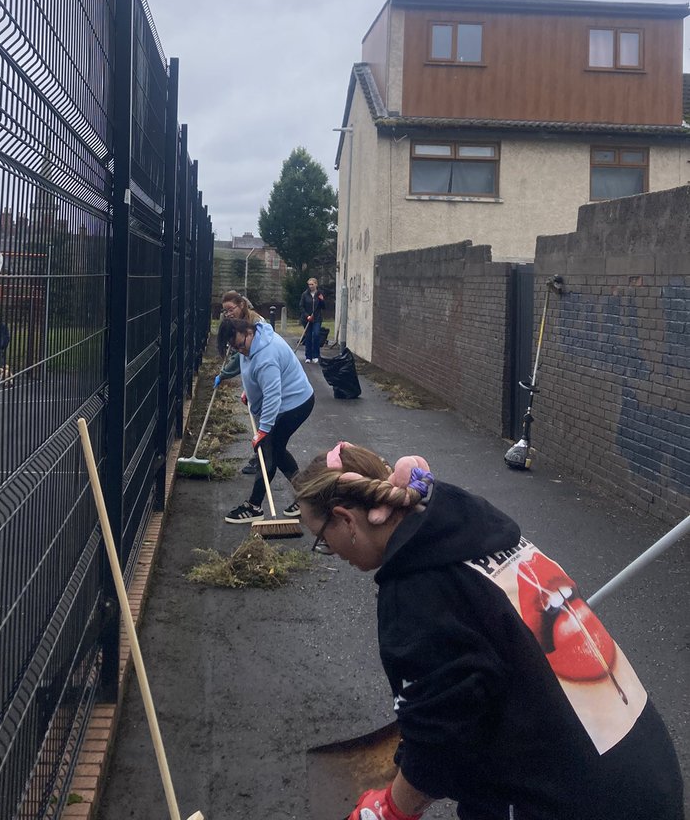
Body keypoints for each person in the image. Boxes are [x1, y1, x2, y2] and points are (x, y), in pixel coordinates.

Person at [293, 441, 684, 820]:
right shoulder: (470, 529)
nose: (332, 552)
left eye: (322, 540)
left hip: (575, 801)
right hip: (646, 771)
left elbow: (442, 740)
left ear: (346, 519)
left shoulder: (417, 590)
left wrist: (392, 808)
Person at [217, 316, 314, 524]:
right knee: (276, 450)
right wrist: (249, 393)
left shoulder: (266, 355)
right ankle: (307, 497)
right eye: (235, 348)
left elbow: (273, 395)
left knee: (267, 449)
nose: (240, 351)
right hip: (285, 401)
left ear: (249, 332)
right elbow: (253, 374)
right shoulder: (250, 343)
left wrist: (264, 430)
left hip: (295, 403)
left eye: (241, 345)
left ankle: (254, 506)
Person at [221, 291, 269, 475]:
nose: (228, 314)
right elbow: (238, 354)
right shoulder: (237, 324)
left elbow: (243, 356)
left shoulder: (255, 324)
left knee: (262, 420)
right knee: (258, 417)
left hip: (263, 375)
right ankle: (262, 457)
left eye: (231, 309)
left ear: (241, 305)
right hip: (254, 377)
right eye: (225, 311)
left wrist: (225, 374)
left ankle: (261, 459)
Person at [298, 277, 325, 363]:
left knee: (316, 335)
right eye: (309, 284)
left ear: (316, 284)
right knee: (308, 337)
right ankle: (308, 357)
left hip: (317, 318)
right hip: (307, 319)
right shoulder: (305, 294)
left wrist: (322, 300)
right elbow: (301, 306)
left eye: (312, 284)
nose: (310, 286)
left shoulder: (319, 294)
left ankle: (316, 355)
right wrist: (307, 316)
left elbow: (323, 307)